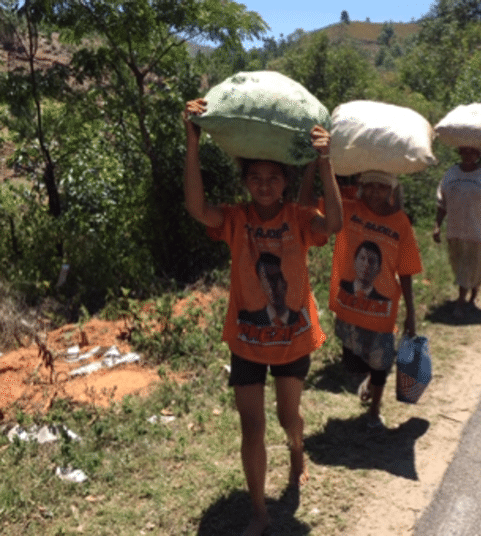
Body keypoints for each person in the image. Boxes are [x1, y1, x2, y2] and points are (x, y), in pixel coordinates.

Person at [183, 98, 342, 536]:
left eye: (273, 177)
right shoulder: (235, 219)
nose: (264, 185)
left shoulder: (300, 217)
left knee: (288, 417)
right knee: (251, 425)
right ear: (246, 181)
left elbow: (336, 224)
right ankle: (259, 511)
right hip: (247, 342)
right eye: (256, 177)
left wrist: (325, 162)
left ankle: (296, 450)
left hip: (293, 338)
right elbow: (197, 209)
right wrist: (192, 141)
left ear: (285, 182)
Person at [300, 170, 423, 430]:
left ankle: (375, 410)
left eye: (381, 187)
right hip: (348, 307)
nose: (374, 193)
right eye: (369, 186)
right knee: (353, 363)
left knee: (382, 362)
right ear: (360, 187)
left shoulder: (400, 223)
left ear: (391, 192)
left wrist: (410, 311)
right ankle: (369, 378)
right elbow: (307, 206)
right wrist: (315, 166)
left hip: (383, 310)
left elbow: (407, 270)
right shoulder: (346, 209)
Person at [433, 147, 481, 319]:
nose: (468, 156)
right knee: (462, 266)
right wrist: (437, 225)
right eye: (464, 152)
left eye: (472, 152)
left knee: (468, 266)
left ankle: (460, 303)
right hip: (455, 229)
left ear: (479, 154)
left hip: (476, 229)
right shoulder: (451, 173)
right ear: (459, 152)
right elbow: (441, 201)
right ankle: (472, 296)